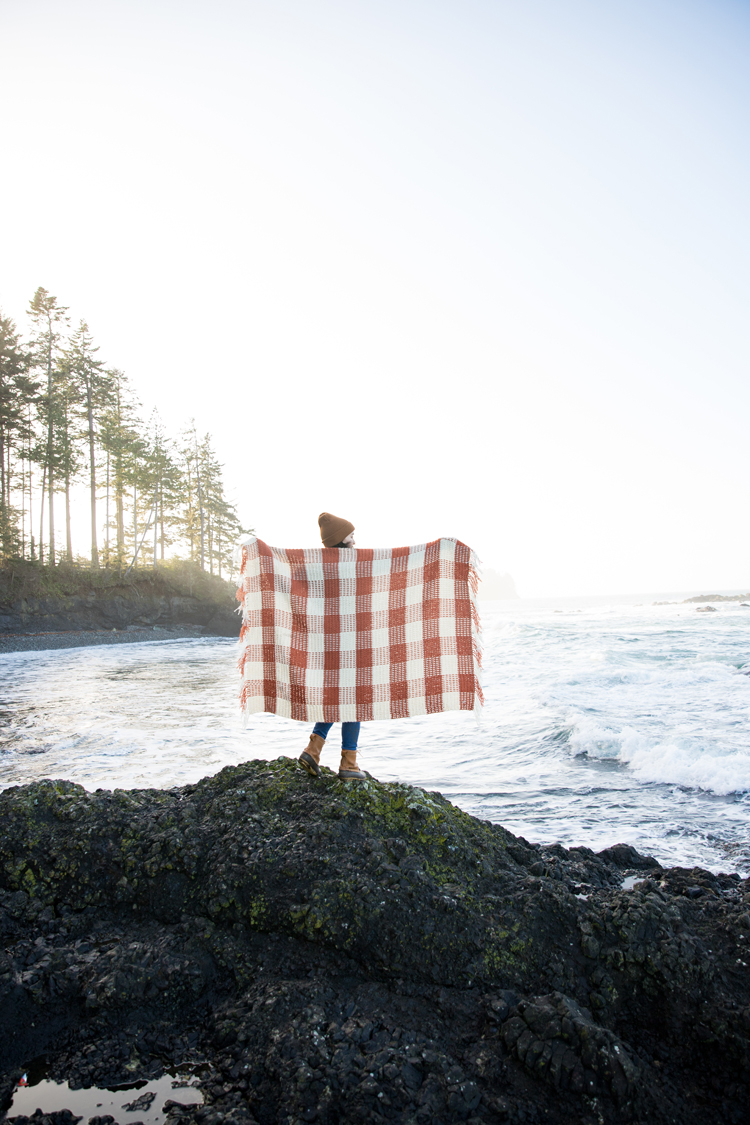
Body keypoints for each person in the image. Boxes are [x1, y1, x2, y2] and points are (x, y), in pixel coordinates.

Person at [299, 512, 369, 781]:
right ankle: (348, 764)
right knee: (354, 701)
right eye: (351, 536)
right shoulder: (352, 565)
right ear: (341, 541)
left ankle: (312, 750)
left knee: (336, 699)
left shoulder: (320, 568)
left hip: (327, 644)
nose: (355, 541)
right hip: (350, 644)